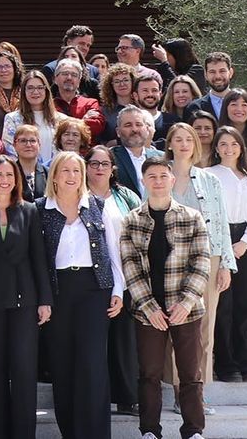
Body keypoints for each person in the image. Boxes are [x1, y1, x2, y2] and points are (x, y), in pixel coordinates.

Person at [119, 158, 212, 439]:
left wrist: (186, 302)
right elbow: (130, 267)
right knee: (149, 373)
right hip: (148, 311)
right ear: (144, 181)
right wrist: (149, 308)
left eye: (163, 176)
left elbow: (202, 262)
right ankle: (150, 430)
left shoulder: (192, 217)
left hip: (186, 309)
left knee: (190, 373)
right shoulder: (132, 220)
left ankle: (193, 430)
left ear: (172, 180)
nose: (158, 181)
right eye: (152, 176)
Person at [39, 151, 125, 439]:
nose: (72, 176)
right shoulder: (40, 209)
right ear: (54, 176)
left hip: (94, 291)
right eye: (65, 170)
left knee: (93, 364)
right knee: (62, 363)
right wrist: (42, 298)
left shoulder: (98, 205)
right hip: (58, 292)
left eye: (77, 170)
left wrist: (118, 289)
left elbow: (113, 250)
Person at [0, 155, 48, 439]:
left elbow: (38, 257)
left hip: (24, 301)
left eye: (10, 175)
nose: (5, 180)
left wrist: (45, 300)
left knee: (25, 369)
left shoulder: (29, 210)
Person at [163, 121, 235, 386]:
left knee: (205, 325)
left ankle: (198, 390)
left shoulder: (209, 180)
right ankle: (178, 388)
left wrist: (225, 264)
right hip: (169, 259)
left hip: (207, 259)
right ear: (170, 144)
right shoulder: (159, 176)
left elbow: (222, 222)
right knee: (173, 322)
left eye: (188, 139)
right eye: (178, 139)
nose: (184, 144)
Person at [86, 143, 144, 417]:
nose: (99, 168)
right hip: (90, 277)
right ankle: (96, 396)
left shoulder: (126, 196)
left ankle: (127, 396)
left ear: (113, 169)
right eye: (94, 163)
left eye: (105, 164)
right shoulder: (78, 195)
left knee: (124, 339)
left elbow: (142, 230)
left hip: (126, 273)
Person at [206, 126, 247, 382]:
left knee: (245, 303)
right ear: (216, 148)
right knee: (224, 305)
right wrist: (225, 248)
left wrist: (245, 243)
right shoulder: (209, 175)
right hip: (220, 240)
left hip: (245, 243)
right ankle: (226, 363)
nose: (229, 149)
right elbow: (209, 213)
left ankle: (246, 361)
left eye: (234, 144)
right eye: (223, 144)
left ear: (241, 147)